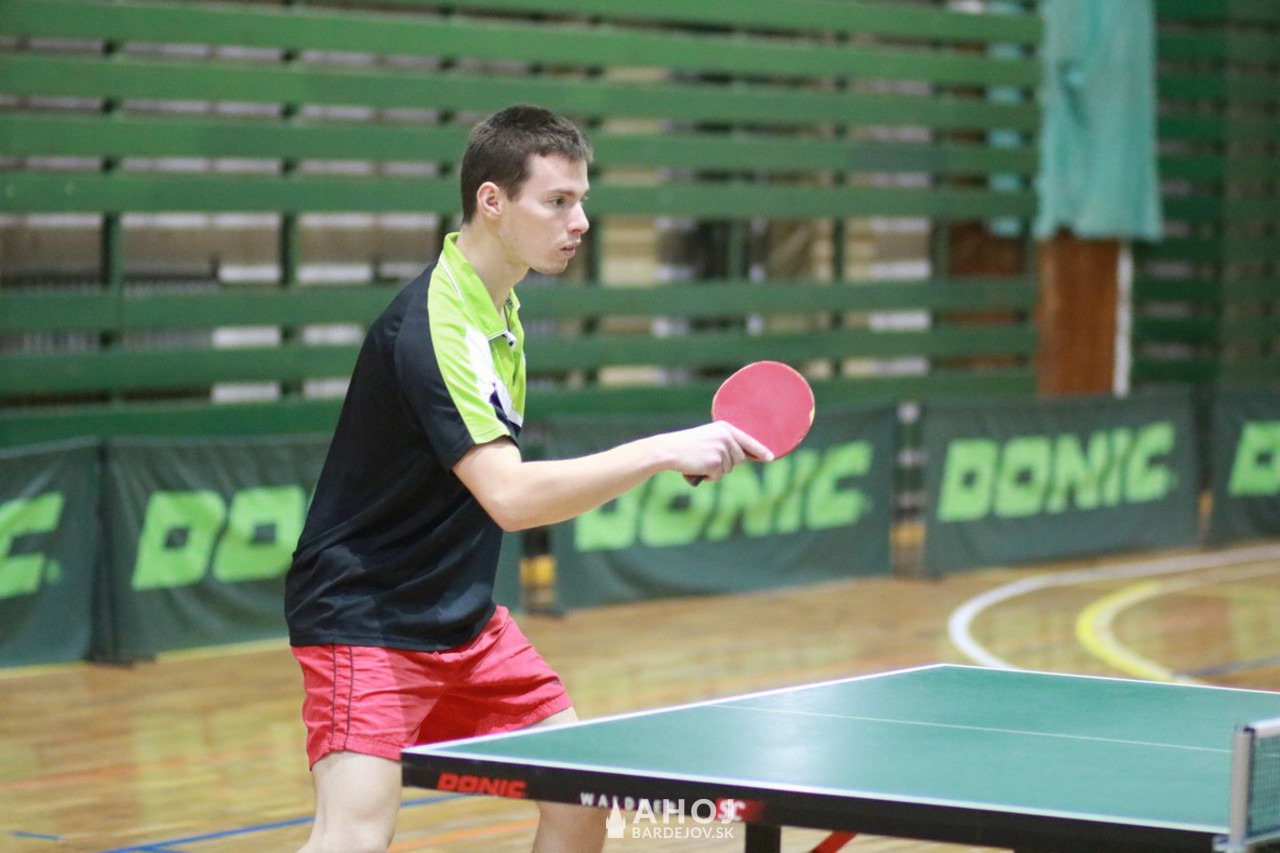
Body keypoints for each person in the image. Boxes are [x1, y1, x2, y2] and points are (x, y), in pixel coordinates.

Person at [284, 104, 769, 853]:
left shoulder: (500, 312)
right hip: (367, 616)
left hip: (461, 619)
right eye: (558, 201)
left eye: (581, 200)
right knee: (352, 836)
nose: (580, 222)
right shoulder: (435, 327)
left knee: (580, 801)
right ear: (492, 200)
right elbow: (509, 497)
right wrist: (662, 450)